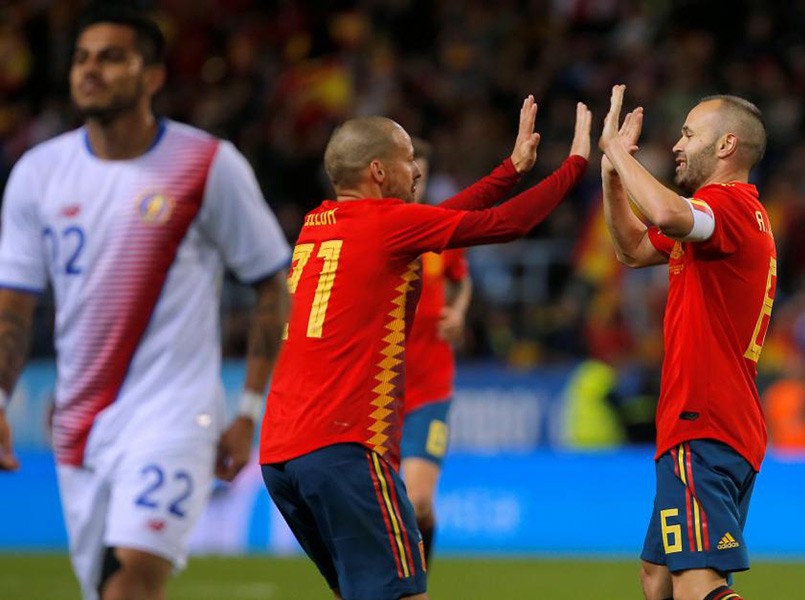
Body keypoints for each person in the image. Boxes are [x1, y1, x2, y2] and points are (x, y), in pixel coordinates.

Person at [0, 6, 290, 600]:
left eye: (111, 57)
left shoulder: (207, 164)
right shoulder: (38, 173)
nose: (91, 71)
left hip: (176, 416)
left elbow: (270, 281)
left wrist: (249, 409)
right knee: (104, 587)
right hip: (80, 422)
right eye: (82, 58)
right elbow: (14, 305)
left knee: (131, 579)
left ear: (152, 75)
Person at [260, 97, 592, 600]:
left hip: (282, 454)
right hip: (345, 448)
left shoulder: (319, 223)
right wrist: (575, 167)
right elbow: (509, 225)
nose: (415, 169)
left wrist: (511, 169)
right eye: (407, 157)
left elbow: (441, 218)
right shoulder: (386, 224)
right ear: (378, 171)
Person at [597, 85, 776, 600]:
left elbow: (669, 215)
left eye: (689, 133)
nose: (677, 144)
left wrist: (613, 149)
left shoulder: (726, 205)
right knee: (658, 581)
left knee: (697, 584)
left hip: (704, 418)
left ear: (725, 146)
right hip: (717, 422)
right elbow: (631, 248)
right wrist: (613, 177)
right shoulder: (726, 219)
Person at [399, 137, 473, 566]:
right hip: (377, 394)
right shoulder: (379, 231)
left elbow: (462, 278)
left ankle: (418, 579)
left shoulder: (439, 232)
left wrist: (459, 311)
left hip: (429, 389)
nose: (415, 181)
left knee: (419, 502)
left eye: (421, 174)